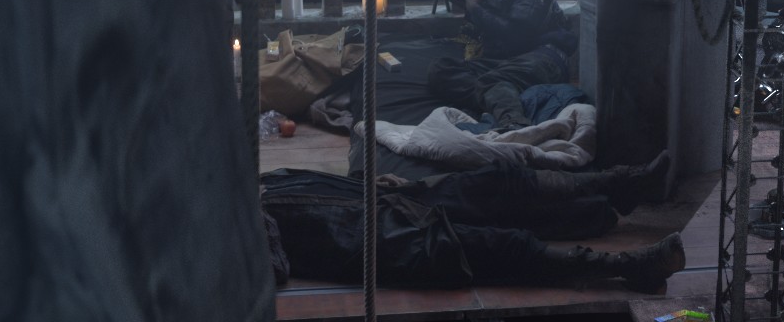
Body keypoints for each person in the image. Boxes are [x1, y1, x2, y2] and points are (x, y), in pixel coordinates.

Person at [261, 153, 681, 292]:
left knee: (497, 180)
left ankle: (621, 183)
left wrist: (374, 183)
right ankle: (629, 267)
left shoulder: (272, 179)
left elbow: (327, 190)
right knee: (501, 244)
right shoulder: (240, 229)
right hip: (385, 238)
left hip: (397, 200)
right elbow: (276, 267)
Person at [430, 29, 578, 130]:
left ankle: (514, 123)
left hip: (545, 59)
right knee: (442, 67)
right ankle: (490, 98)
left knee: (490, 81)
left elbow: (519, 27)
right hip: (523, 58)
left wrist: (475, 7)